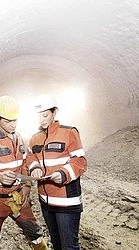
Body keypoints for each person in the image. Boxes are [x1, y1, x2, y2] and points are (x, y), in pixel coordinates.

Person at [0, 95, 48, 250]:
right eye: (8, 121)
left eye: (15, 120)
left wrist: (26, 186)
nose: (13, 125)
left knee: (35, 234)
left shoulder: (19, 138)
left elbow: (25, 164)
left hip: (17, 198)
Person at [26, 94, 87, 250]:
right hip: (46, 202)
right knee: (57, 244)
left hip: (66, 203)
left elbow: (80, 161)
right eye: (39, 116)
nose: (42, 120)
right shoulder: (34, 138)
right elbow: (30, 157)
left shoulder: (69, 132)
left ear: (54, 112)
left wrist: (63, 173)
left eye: (45, 115)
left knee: (69, 246)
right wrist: (35, 167)